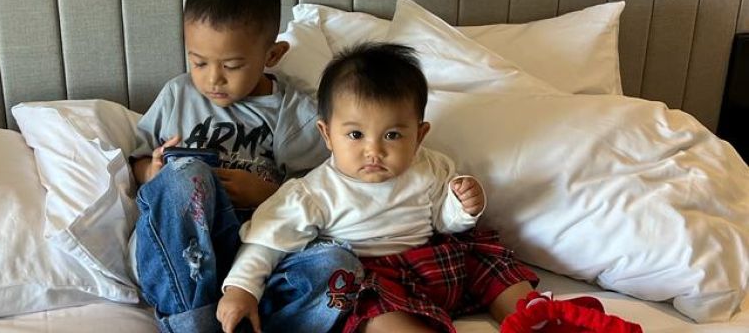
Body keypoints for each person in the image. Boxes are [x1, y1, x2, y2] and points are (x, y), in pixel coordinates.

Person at [217, 43, 626, 333]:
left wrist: (461, 207)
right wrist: (241, 290)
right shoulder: (312, 192)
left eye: (393, 135)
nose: (374, 150)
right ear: (326, 134)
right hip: (374, 276)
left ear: (420, 134)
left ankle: (534, 317)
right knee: (370, 311)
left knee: (485, 258)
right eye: (355, 134)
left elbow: (444, 222)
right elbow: (266, 242)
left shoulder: (430, 167)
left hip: (436, 260)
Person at [128, 0, 362, 333]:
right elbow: (136, 162)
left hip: (258, 254)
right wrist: (151, 171)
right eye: (198, 62)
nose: (212, 78)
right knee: (184, 175)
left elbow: (324, 195)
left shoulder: (299, 113)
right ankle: (193, 323)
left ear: (272, 56)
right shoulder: (178, 94)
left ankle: (248, 323)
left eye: (232, 66)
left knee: (340, 266)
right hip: (183, 254)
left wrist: (269, 193)